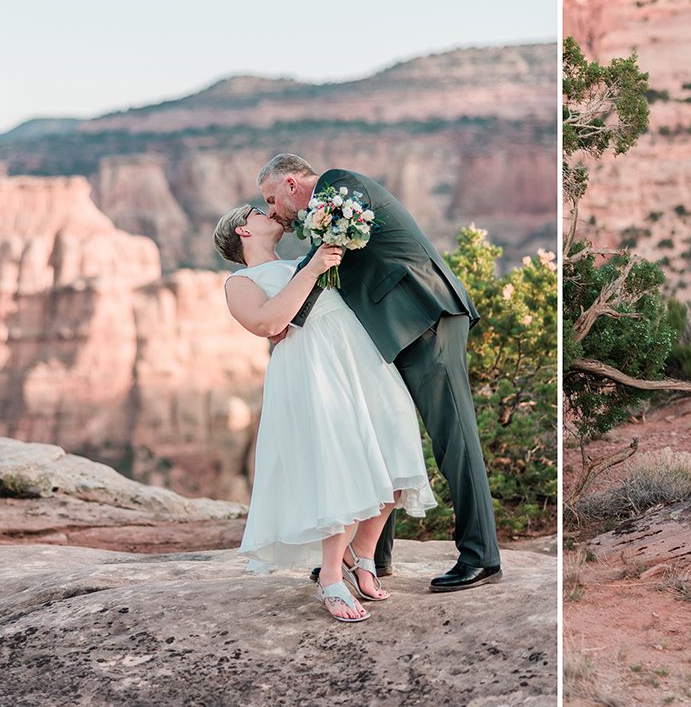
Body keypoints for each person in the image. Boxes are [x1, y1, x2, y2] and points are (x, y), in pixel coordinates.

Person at [257, 153, 502, 593]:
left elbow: (324, 254)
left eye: (273, 199)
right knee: (381, 435)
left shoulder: (338, 184)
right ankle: (374, 557)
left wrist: (282, 320)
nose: (274, 212)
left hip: (426, 315)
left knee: (455, 438)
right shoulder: (325, 204)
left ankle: (481, 556)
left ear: (292, 184)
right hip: (393, 331)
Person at [213, 205, 437, 622]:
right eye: (256, 211)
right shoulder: (240, 282)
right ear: (243, 230)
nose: (268, 212)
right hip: (312, 367)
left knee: (396, 438)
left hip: (358, 353)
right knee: (341, 461)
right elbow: (270, 325)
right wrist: (313, 269)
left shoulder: (303, 260)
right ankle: (331, 577)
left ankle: (363, 555)